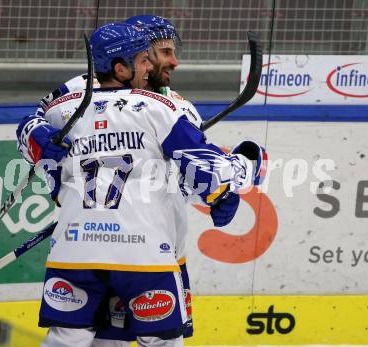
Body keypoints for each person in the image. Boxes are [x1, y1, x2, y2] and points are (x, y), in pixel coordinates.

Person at [16, 21, 264, 347]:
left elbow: (46, 157)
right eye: (151, 57)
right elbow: (207, 172)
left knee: (69, 338)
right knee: (158, 340)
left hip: (75, 248)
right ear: (122, 65)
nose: (156, 64)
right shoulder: (161, 107)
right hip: (145, 250)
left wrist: (48, 163)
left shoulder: (66, 110)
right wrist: (247, 165)